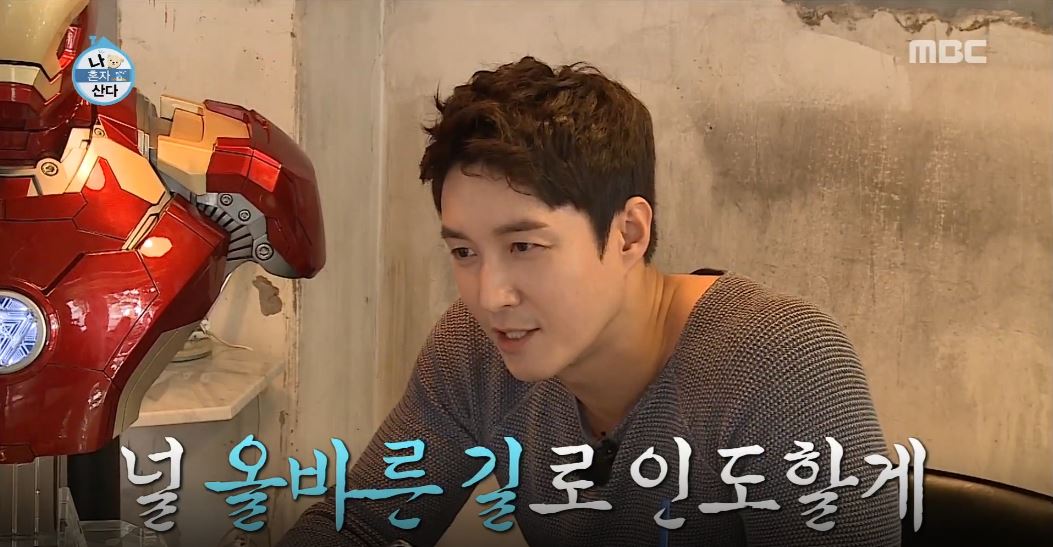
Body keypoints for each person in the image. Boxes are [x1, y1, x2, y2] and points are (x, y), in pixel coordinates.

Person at [278, 57, 901, 547]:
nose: (490, 297)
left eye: (524, 246)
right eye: (464, 252)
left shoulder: (782, 365)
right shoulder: (473, 352)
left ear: (628, 233)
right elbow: (362, 525)